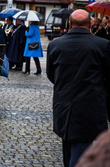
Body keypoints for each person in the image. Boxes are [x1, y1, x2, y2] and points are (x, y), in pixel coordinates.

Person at [46, 9, 110, 167]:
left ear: (69, 24)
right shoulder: (103, 45)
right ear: (90, 24)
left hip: (63, 105)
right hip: (90, 106)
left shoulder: (55, 44)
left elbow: (51, 75)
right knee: (80, 153)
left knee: (69, 149)